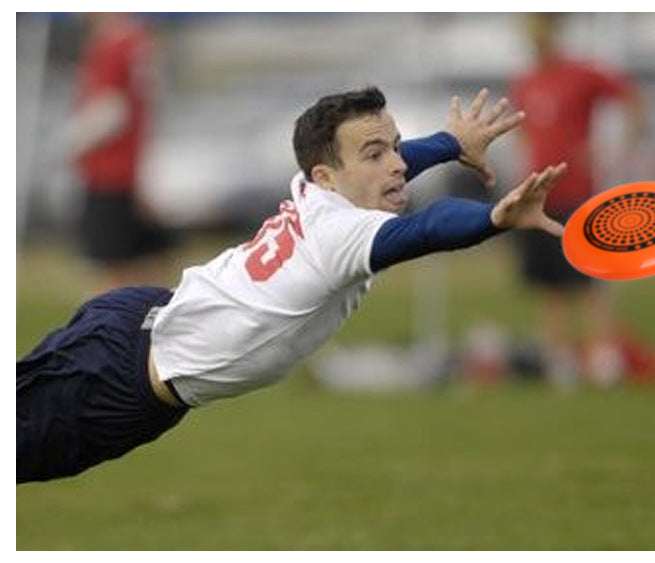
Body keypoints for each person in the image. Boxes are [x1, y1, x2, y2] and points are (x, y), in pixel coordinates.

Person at [17, 86, 567, 484]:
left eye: (395, 147)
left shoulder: (317, 189)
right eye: (377, 154)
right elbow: (425, 230)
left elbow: (391, 167)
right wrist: (493, 218)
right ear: (325, 174)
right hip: (128, 377)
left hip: (136, 319)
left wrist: (449, 142)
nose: (398, 164)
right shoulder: (341, 234)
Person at [508, 13, 644, 387]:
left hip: (579, 191)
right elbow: (524, 134)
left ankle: (604, 360)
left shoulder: (581, 73)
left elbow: (631, 99)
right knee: (548, 283)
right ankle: (559, 362)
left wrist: (615, 149)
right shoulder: (525, 80)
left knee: (590, 279)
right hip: (538, 195)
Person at [60, 13, 175, 291]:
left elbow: (111, 109)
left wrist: (72, 142)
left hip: (108, 169)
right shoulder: (137, 39)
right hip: (131, 164)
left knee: (111, 262)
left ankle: (109, 321)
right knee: (143, 257)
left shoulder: (112, 43)